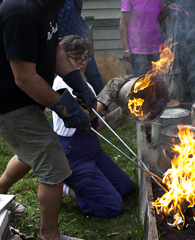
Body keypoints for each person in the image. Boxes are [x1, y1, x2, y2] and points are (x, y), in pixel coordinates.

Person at [0, 0, 97, 239]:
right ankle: (50, 235)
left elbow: (54, 50)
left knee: (27, 154)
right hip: (10, 104)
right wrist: (65, 108)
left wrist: (79, 84)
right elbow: (24, 77)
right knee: (54, 167)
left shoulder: (48, 7)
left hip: (25, 100)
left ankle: (0, 192)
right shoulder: (20, 12)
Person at [52, 35, 134, 218]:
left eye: (86, 57)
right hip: (72, 156)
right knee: (113, 206)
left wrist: (125, 112)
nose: (82, 63)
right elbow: (84, 115)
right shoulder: (60, 84)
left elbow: (95, 123)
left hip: (91, 150)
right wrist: (110, 90)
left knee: (126, 188)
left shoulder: (84, 83)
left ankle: (91, 184)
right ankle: (66, 188)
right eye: (76, 59)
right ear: (63, 58)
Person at [119, 0, 180, 77]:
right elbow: (123, 24)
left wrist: (167, 9)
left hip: (156, 48)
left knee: (156, 82)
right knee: (140, 82)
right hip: (137, 50)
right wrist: (125, 49)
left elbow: (158, 18)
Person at [58, 0, 104, 95]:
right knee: (63, 76)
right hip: (60, 43)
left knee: (93, 74)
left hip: (79, 38)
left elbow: (78, 7)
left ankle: (101, 102)